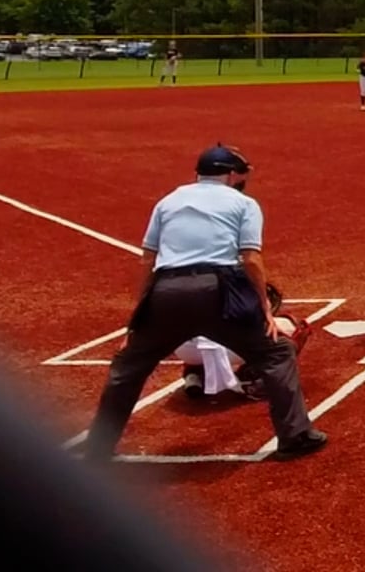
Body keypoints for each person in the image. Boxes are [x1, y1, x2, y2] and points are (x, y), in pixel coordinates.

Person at [81, 145, 325, 461]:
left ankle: (98, 448)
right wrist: (263, 305)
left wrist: (139, 316)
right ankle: (295, 436)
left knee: (128, 367)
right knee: (276, 352)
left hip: (166, 292)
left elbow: (147, 260)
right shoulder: (243, 203)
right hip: (217, 292)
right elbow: (251, 258)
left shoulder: (168, 201)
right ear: (232, 174)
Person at [176, 283, 313, 400]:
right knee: (292, 330)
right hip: (218, 344)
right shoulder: (240, 289)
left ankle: (194, 375)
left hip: (181, 347)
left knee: (201, 335)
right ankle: (255, 382)